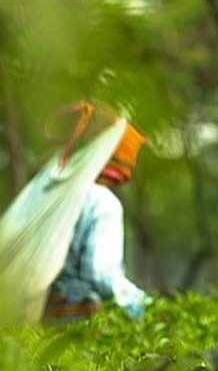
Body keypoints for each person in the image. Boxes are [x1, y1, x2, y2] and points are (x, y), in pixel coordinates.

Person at [43, 107, 149, 322]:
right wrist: (144, 306)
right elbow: (101, 274)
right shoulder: (102, 202)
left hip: (37, 318)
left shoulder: (50, 191)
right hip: (75, 324)